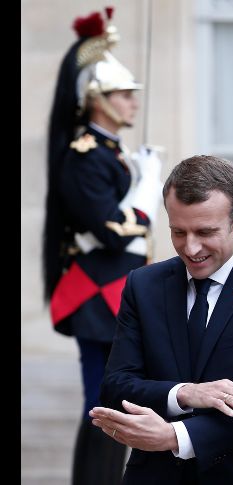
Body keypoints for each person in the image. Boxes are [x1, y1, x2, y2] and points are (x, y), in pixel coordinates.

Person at [90, 155, 233, 484]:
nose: (191, 248)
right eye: (178, 232)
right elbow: (116, 385)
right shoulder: (143, 285)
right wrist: (183, 393)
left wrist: (174, 436)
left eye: (205, 232)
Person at [42, 7, 162, 484]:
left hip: (116, 289)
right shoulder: (84, 156)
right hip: (98, 292)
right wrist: (149, 189)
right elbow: (113, 229)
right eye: (123, 94)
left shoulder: (112, 153)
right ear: (97, 99)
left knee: (116, 403)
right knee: (104, 404)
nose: (133, 102)